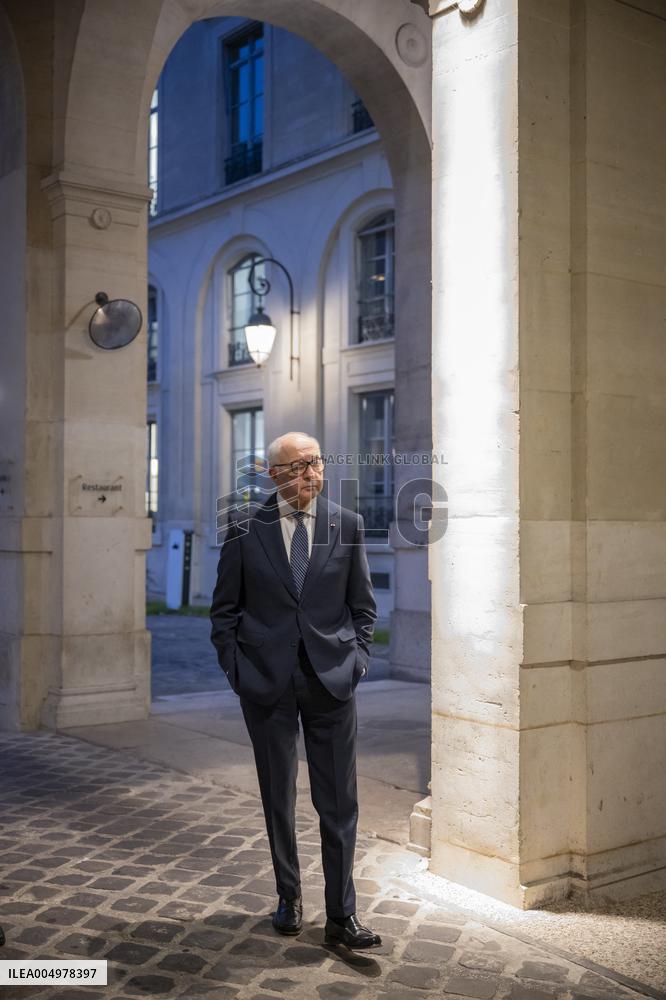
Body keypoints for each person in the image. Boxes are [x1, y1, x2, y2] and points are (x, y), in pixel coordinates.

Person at [210, 431, 382, 949]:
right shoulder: (243, 527)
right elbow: (224, 613)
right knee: (278, 796)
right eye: (299, 466)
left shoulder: (346, 525)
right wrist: (239, 673)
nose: (311, 473)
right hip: (267, 684)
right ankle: (289, 896)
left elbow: (364, 607)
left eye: (317, 463)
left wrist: (358, 662)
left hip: (331, 680)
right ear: (274, 474)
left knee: (339, 802)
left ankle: (341, 914)